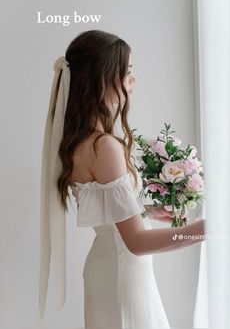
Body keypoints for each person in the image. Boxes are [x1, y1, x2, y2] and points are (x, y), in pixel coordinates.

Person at [39, 29, 206, 328]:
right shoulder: (103, 146)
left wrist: (148, 213)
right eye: (127, 71)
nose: (133, 79)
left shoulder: (79, 143)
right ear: (102, 78)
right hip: (123, 272)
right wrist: (203, 230)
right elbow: (136, 242)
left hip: (109, 268)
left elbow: (112, 220)